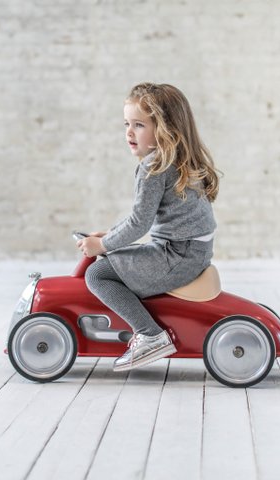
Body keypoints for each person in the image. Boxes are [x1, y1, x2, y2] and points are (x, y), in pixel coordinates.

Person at [76, 82, 220, 372]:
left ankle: (150, 335)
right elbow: (139, 217)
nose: (129, 132)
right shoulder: (178, 158)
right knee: (115, 256)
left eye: (139, 125)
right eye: (127, 124)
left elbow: (139, 222)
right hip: (191, 250)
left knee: (97, 273)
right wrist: (111, 236)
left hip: (177, 254)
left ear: (166, 129)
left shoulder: (154, 166)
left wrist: (102, 245)